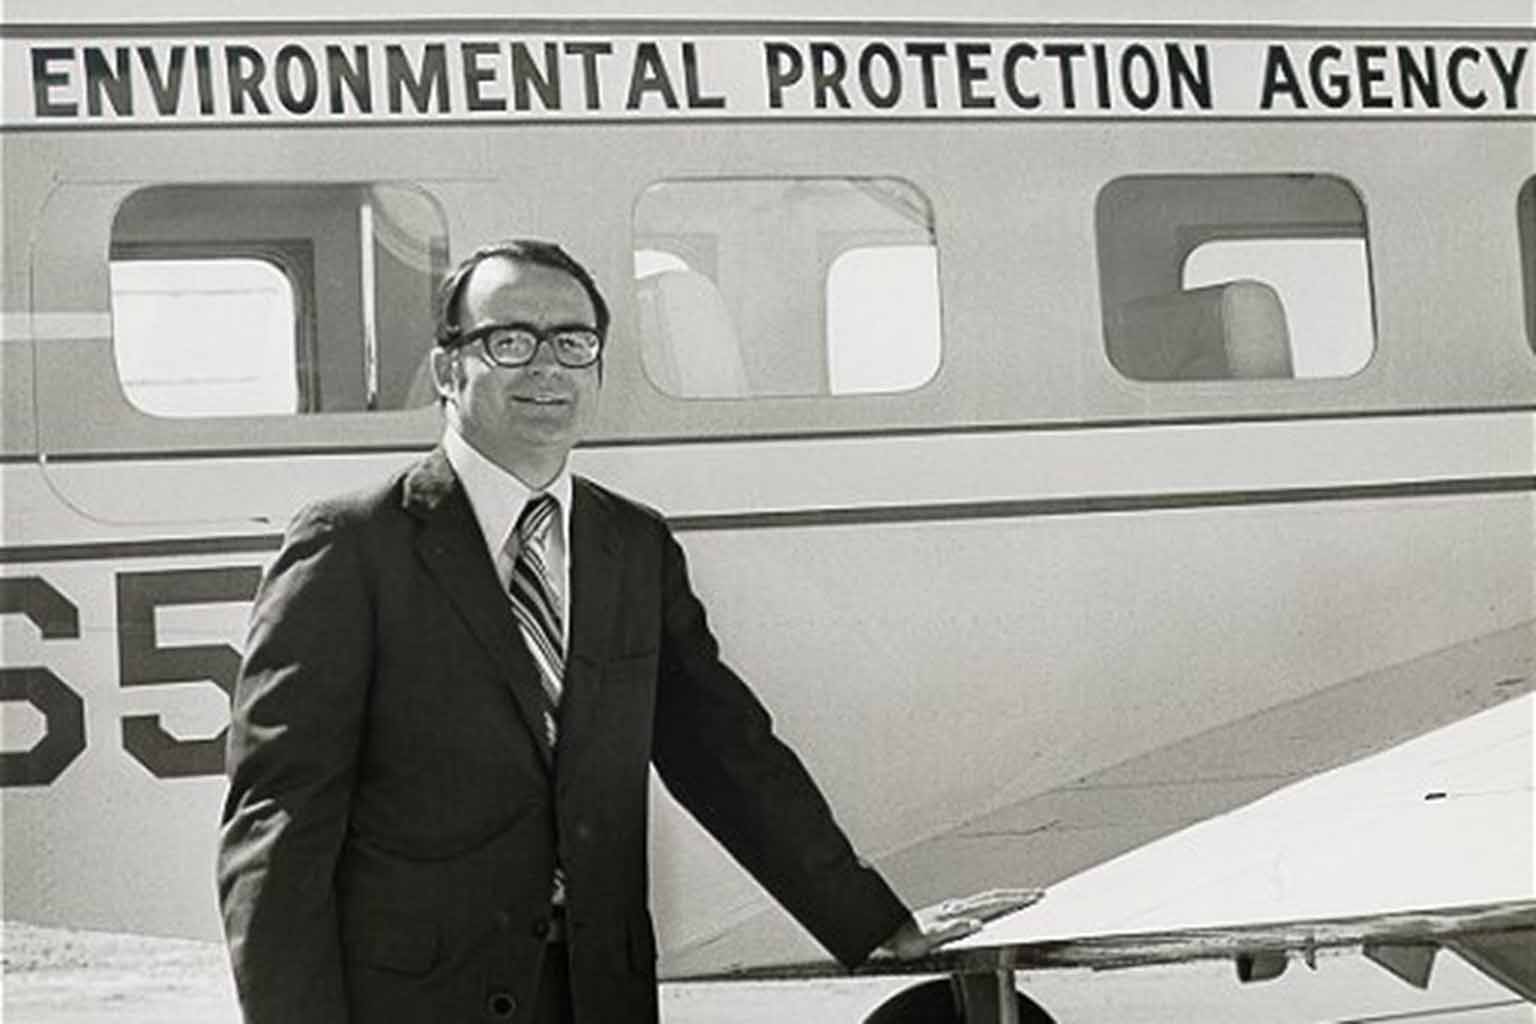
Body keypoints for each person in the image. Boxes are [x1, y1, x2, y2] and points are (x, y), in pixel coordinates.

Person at [217, 239, 1036, 1024]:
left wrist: (873, 922)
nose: (547, 366)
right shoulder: (350, 546)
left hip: (599, 994)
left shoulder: (632, 546)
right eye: (509, 340)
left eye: (573, 342)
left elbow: (724, 753)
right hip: (412, 1005)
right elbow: (278, 825)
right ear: (447, 369)